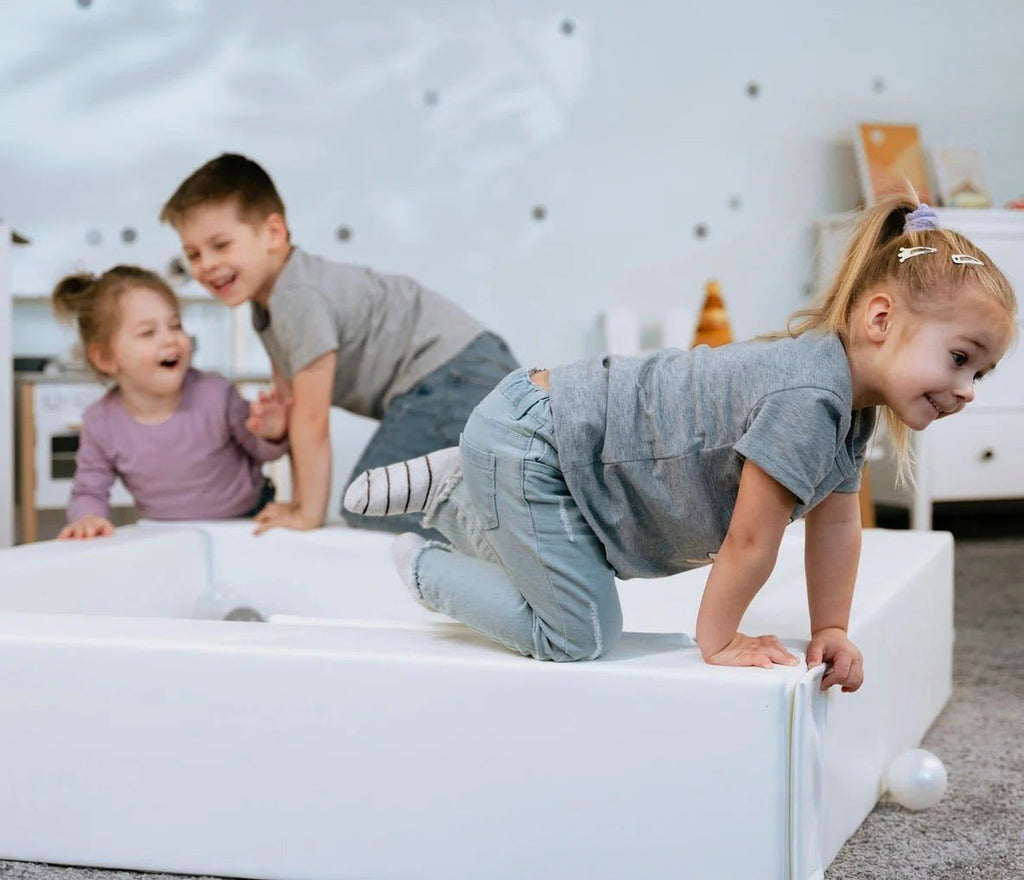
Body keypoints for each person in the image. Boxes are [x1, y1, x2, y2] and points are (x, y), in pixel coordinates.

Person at [344, 195, 1017, 686]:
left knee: (573, 578)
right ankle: (428, 565)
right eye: (960, 359)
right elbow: (752, 539)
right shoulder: (808, 397)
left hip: (551, 448)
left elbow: (837, 527)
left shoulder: (848, 409)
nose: (968, 390)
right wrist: (718, 639)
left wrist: (830, 629)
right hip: (535, 441)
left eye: (981, 372)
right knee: (578, 635)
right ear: (879, 318)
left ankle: (468, 489)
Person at [159, 153, 519, 537]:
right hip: (461, 371)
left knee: (372, 505)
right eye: (194, 254)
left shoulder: (298, 297)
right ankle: (502, 520)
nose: (207, 265)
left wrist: (306, 514)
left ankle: (505, 540)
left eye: (220, 245)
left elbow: (312, 422)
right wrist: (278, 428)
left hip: (455, 373)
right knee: (393, 500)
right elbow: (296, 410)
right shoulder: (269, 309)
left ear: (274, 234)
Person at [53, 266, 290, 540]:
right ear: (105, 358)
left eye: (175, 325)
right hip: (165, 534)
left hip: (247, 522)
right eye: (148, 332)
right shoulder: (102, 422)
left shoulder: (216, 393)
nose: (170, 339)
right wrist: (88, 518)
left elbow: (262, 452)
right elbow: (89, 491)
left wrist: (272, 433)